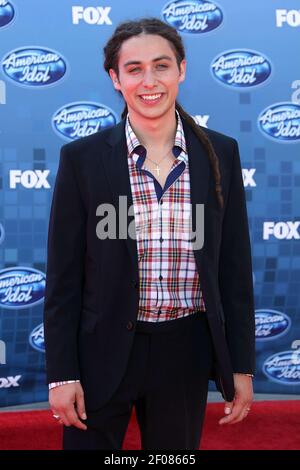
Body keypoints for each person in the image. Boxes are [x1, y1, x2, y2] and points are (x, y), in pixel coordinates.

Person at [44, 17, 255, 450]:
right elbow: (63, 281)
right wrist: (62, 374)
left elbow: (234, 269)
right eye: (134, 68)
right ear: (115, 79)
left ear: (181, 70)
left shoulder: (221, 153)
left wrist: (241, 367)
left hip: (185, 351)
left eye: (161, 65)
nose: (149, 80)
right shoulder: (82, 160)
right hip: (100, 351)